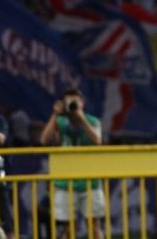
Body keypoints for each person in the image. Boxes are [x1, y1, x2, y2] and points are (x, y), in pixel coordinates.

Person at [39, 89, 106, 239]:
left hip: (90, 180)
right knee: (69, 226)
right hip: (65, 181)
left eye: (76, 102)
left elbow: (98, 141)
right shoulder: (60, 121)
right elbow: (44, 140)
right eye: (69, 102)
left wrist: (82, 119)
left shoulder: (93, 121)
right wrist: (55, 115)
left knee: (94, 224)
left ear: (83, 103)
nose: (73, 105)